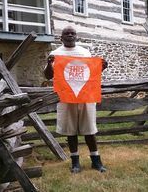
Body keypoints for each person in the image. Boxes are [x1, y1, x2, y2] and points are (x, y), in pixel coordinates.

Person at [44, 26, 107, 173]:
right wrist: (49, 63)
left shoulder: (85, 53)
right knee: (70, 130)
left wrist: (101, 68)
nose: (70, 35)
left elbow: (90, 73)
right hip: (66, 97)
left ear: (76, 36)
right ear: (61, 37)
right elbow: (48, 76)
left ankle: (96, 161)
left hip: (85, 96)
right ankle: (75, 162)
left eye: (73, 33)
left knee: (89, 129)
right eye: (66, 33)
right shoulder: (55, 54)